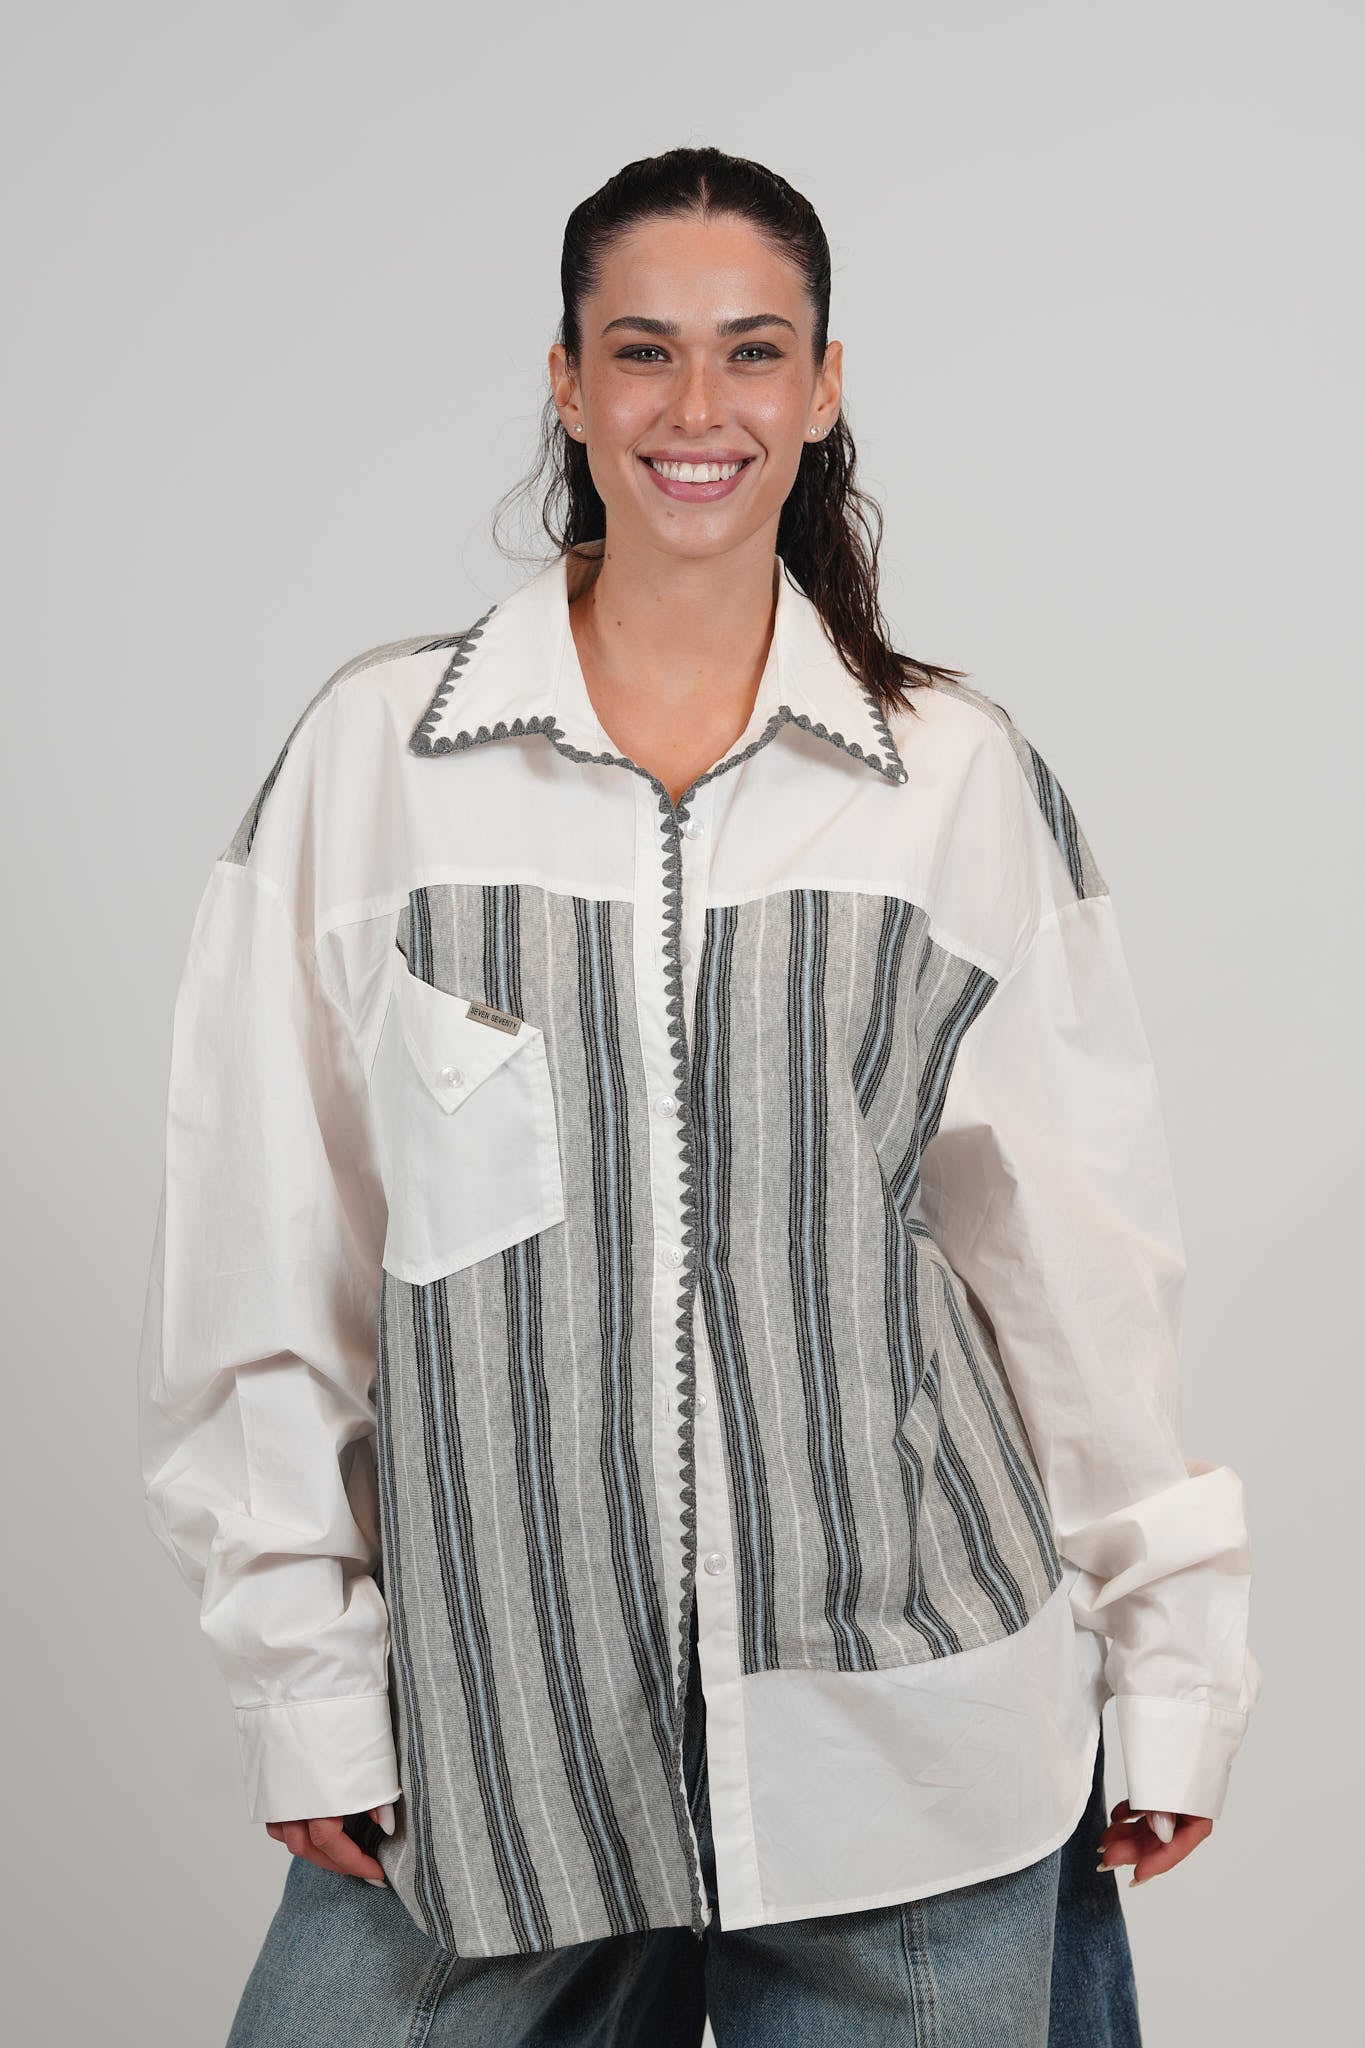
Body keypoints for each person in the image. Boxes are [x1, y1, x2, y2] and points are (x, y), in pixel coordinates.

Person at [136, 145, 1261, 2047]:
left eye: (753, 353)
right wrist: (305, 1677)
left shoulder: (951, 777)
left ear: (822, 390)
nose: (696, 408)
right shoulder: (377, 763)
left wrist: (1171, 1659)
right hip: (501, 1736)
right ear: (567, 384)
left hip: (913, 1741)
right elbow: (267, 1247)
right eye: (642, 351)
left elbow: (1073, 1262)